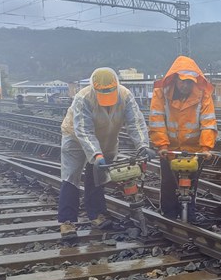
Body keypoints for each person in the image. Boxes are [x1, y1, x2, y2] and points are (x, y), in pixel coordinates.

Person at [58, 67, 152, 239]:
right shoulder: (83, 98)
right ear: (94, 89)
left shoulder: (125, 96)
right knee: (71, 177)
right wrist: (96, 154)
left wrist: (143, 146)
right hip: (75, 138)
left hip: (106, 138)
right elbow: (84, 130)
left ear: (116, 86)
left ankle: (97, 215)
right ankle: (67, 222)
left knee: (97, 178)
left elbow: (135, 123)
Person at [149, 56, 217, 221]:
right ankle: (169, 216)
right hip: (169, 149)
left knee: (191, 185)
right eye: (182, 81)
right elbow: (157, 121)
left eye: (189, 82)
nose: (185, 85)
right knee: (168, 184)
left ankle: (189, 215)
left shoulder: (203, 95)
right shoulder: (161, 94)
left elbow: (208, 122)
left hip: (193, 150)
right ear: (175, 79)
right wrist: (162, 145)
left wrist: (206, 148)